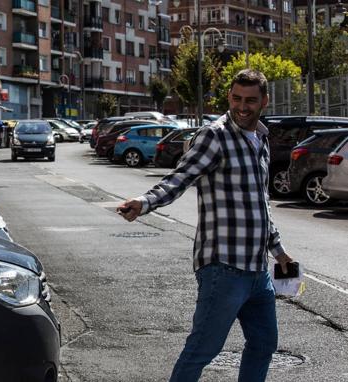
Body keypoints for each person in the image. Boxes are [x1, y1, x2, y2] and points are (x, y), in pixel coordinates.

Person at [117, 69, 295, 382]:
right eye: (237, 98)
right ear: (229, 96)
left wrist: (278, 251)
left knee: (265, 343)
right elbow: (181, 177)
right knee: (203, 349)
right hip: (223, 268)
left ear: (264, 101)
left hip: (258, 271)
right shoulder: (215, 135)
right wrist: (144, 202)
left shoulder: (262, 140)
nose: (242, 106)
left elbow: (261, 203)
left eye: (251, 100)